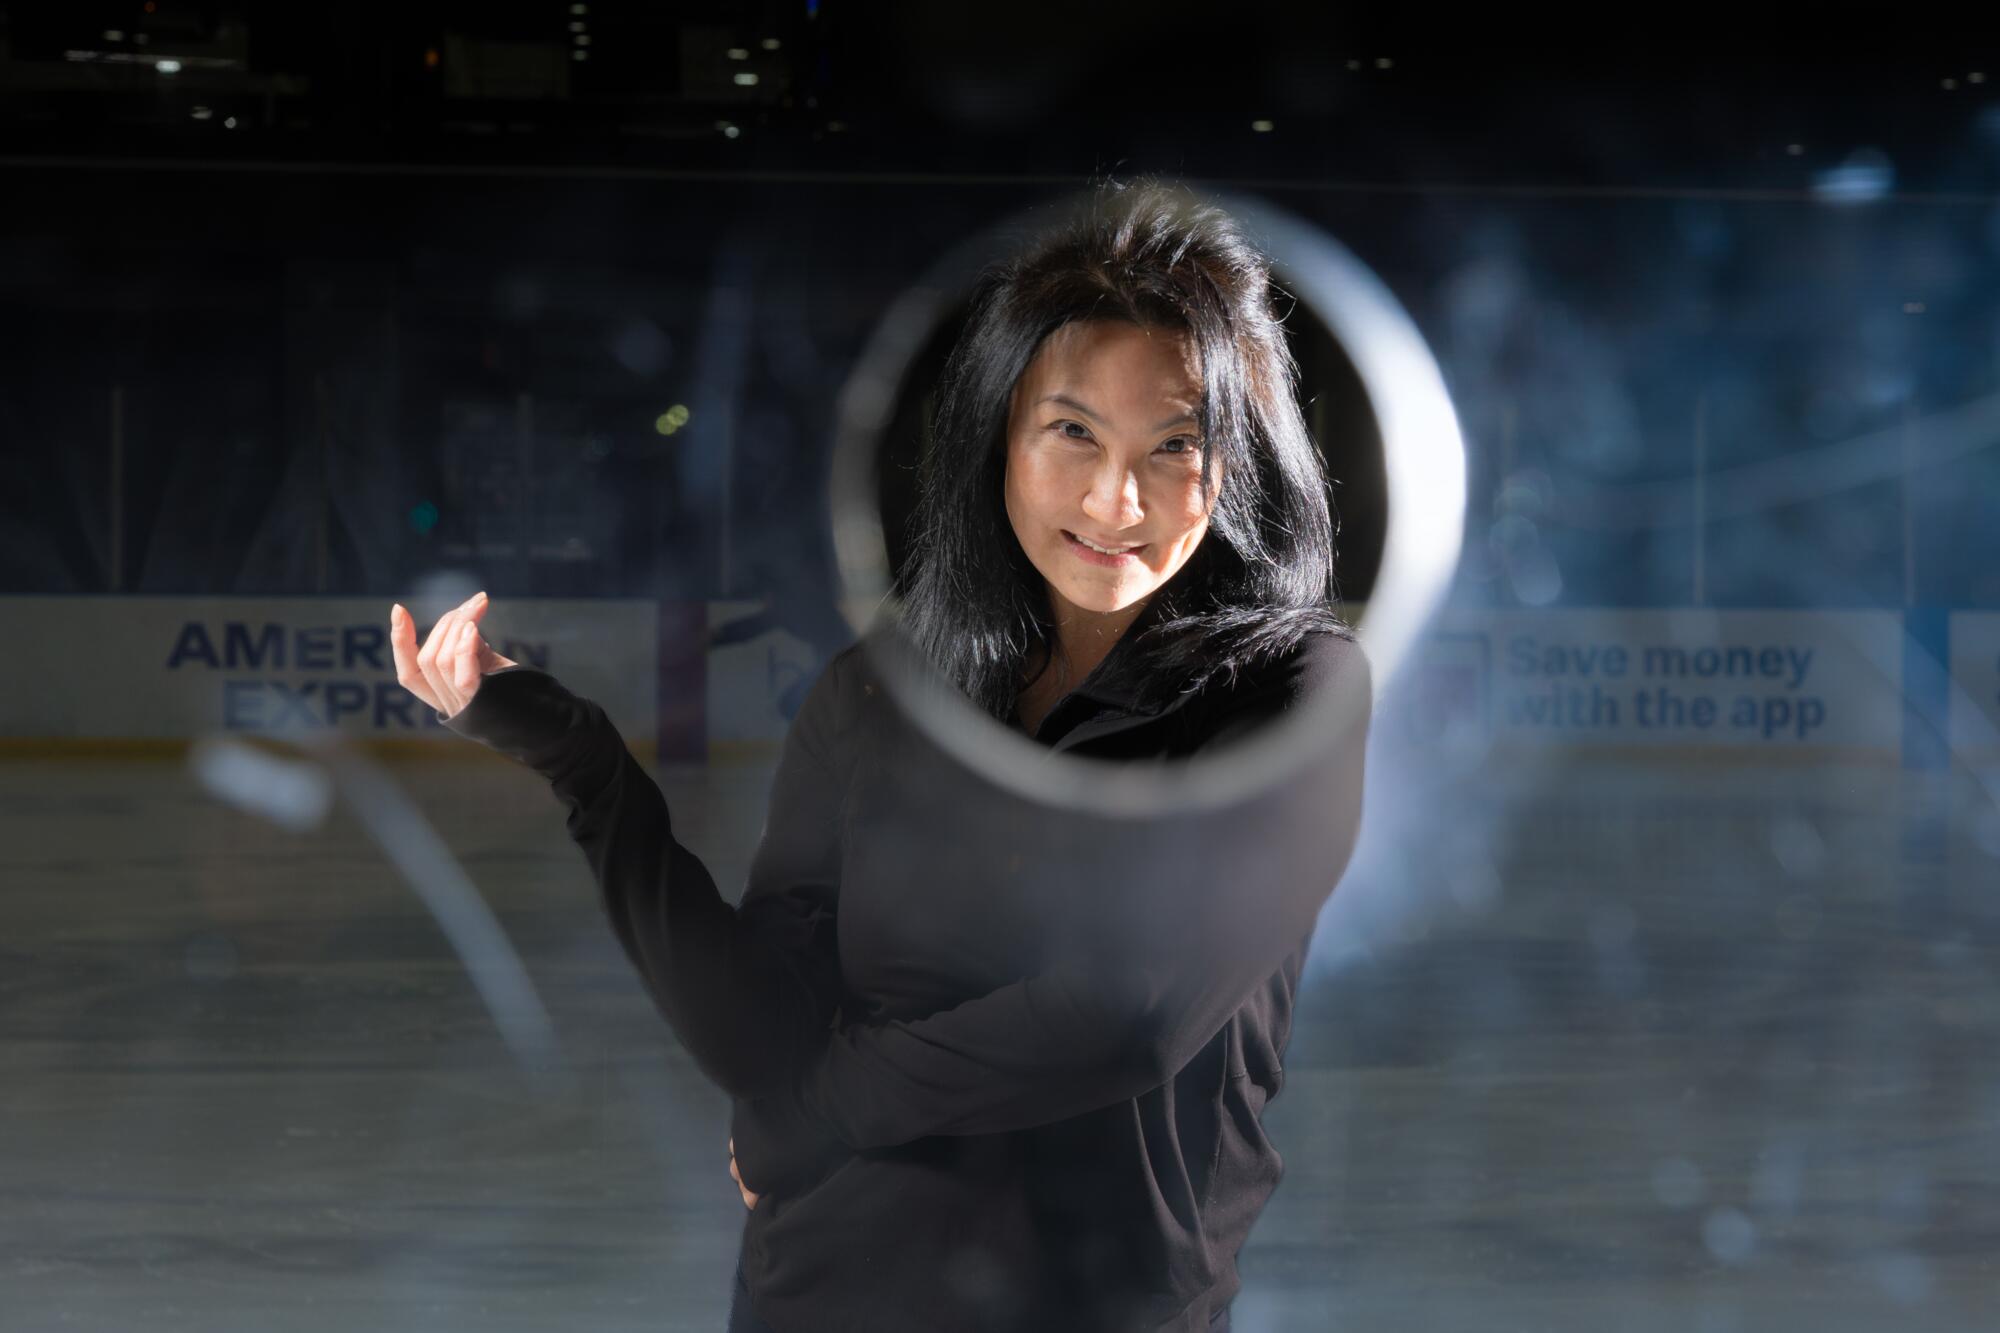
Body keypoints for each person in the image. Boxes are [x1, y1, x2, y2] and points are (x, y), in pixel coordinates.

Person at [388, 177, 1372, 1333]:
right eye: (1072, 431)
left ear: (1237, 461)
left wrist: (824, 1112)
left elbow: (1132, 1012)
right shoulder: (878, 692)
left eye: (1175, 445)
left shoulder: (1293, 697)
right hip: (824, 1290)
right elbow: (759, 1027)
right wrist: (585, 765)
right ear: (997, 434)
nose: (1118, 498)